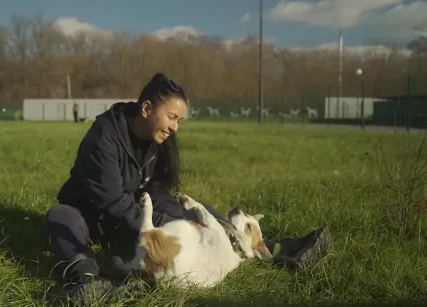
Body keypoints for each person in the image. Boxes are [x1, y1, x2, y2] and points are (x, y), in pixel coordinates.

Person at [45, 73, 330, 302]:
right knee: (59, 216)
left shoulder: (157, 140)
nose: (175, 128)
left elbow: (156, 191)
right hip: (93, 215)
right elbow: (111, 202)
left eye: (179, 120)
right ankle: (88, 280)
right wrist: (164, 226)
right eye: (172, 117)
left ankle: (275, 249)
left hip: (133, 213)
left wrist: (183, 219)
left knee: (191, 208)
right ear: (146, 109)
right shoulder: (104, 137)